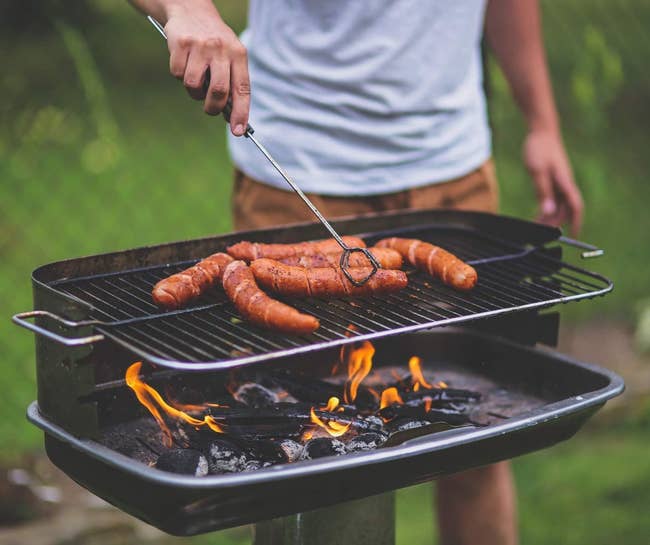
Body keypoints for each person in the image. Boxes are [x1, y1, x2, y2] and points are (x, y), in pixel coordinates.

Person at [130, 1, 584, 543]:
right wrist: (186, 9)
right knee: (297, 450)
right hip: (296, 169)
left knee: (476, 438)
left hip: (452, 171)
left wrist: (543, 123)